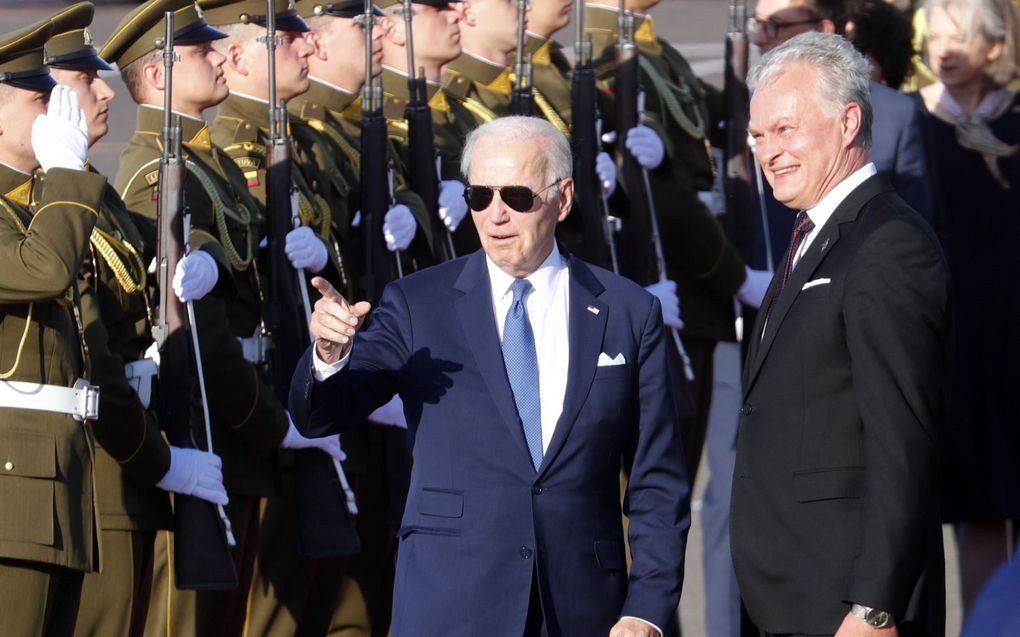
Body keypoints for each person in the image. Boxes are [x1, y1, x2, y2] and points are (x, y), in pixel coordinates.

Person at [290, 116, 691, 637]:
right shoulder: (418, 304)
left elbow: (656, 478)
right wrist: (328, 352)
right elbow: (322, 414)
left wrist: (646, 610)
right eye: (479, 196)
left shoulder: (627, 311)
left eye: (518, 197)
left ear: (563, 199)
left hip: (580, 610)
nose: (496, 215)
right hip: (451, 604)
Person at [102, 1, 341, 634]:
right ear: (157, 75)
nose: (220, 57)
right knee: (191, 621)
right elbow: (196, 328)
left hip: (235, 419)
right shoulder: (155, 174)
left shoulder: (215, 169)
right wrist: (267, 422)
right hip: (210, 420)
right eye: (202, 52)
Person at [732, 32, 949, 636]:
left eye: (785, 130)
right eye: (758, 136)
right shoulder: (812, 236)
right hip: (789, 593)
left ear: (848, 122)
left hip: (847, 608)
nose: (768, 152)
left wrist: (875, 605)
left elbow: (903, 442)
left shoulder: (888, 245)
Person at [44, 5, 228, 637]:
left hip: (133, 450)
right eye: (82, 81)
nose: (104, 91)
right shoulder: (52, 209)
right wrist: (157, 460)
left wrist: (201, 254)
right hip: (98, 467)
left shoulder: (94, 195)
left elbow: (165, 255)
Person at [0, 17, 107, 637]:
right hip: (13, 496)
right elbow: (44, 270)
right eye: (44, 101)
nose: (59, 115)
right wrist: (67, 172)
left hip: (55, 486)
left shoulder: (41, 207)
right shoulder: (50, 206)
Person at [918, 0, 1020, 615]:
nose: (945, 49)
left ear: (992, 46)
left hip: (1017, 331)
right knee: (977, 502)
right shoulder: (913, 120)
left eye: (960, 37)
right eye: (935, 37)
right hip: (958, 337)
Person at [750, 0, 934, 229]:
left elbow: (916, 228)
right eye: (758, 136)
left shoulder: (894, 115)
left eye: (775, 24)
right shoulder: (750, 108)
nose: (758, 37)